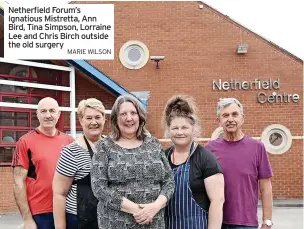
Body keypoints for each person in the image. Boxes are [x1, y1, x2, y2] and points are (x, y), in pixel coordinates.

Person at [91, 94, 175, 229]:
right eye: (123, 114)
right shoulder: (104, 146)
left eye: (133, 113)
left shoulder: (153, 143)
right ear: (115, 119)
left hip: (154, 222)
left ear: (140, 117)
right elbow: (99, 188)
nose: (129, 118)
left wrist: (155, 206)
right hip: (116, 223)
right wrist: (137, 210)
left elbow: (169, 181)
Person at [205, 98, 273, 229]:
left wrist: (267, 222)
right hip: (216, 222)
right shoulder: (209, 149)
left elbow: (266, 187)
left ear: (242, 118)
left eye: (234, 114)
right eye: (225, 115)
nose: (230, 119)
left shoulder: (257, 147)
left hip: (246, 223)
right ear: (218, 120)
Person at [162, 95, 225, 229]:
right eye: (175, 128)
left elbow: (217, 202)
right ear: (169, 130)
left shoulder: (206, 159)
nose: (180, 132)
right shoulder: (163, 157)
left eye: (184, 128)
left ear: (193, 129)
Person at [12, 97, 74, 229]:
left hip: (67, 210)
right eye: (43, 111)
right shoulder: (25, 142)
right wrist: (27, 219)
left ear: (59, 114)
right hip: (41, 213)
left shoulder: (70, 141)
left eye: (52, 111)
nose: (48, 115)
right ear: (37, 114)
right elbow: (18, 183)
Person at [53, 98, 106, 229]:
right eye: (88, 118)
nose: (94, 122)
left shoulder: (112, 146)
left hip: (107, 218)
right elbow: (59, 194)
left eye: (97, 117)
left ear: (104, 119)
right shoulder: (71, 152)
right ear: (81, 120)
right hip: (79, 220)